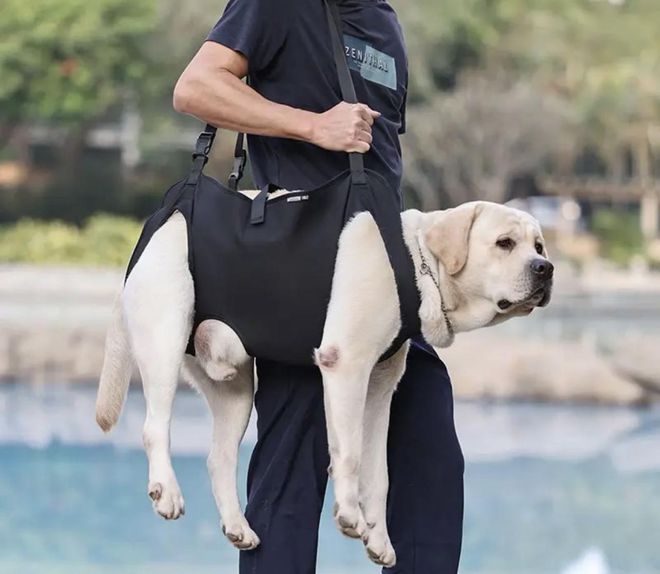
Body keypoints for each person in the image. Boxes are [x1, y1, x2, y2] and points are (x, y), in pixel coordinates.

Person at [173, 1, 464, 572]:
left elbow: (380, 158)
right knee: (289, 479)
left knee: (429, 454)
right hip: (306, 283)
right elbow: (195, 87)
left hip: (385, 284)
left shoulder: (383, 18)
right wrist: (312, 125)